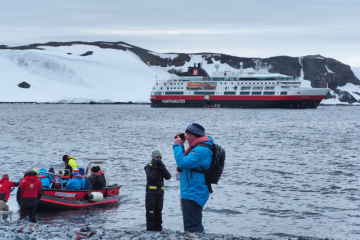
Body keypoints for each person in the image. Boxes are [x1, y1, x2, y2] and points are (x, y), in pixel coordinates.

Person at [173, 123, 213, 233]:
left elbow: (182, 163)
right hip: (192, 191)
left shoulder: (201, 150)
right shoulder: (198, 147)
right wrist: (181, 146)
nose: (185, 137)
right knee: (192, 224)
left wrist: (177, 145)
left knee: (192, 228)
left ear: (194, 136)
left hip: (194, 192)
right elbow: (187, 161)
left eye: (187, 134)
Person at [144, 150, 171, 231]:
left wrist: (162, 167)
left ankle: (159, 230)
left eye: (160, 158)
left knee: (158, 214)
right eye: (157, 158)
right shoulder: (148, 166)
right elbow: (151, 177)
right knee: (151, 213)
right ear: (153, 158)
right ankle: (150, 231)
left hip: (160, 194)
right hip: (151, 194)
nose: (158, 159)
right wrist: (155, 167)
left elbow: (168, 177)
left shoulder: (161, 167)